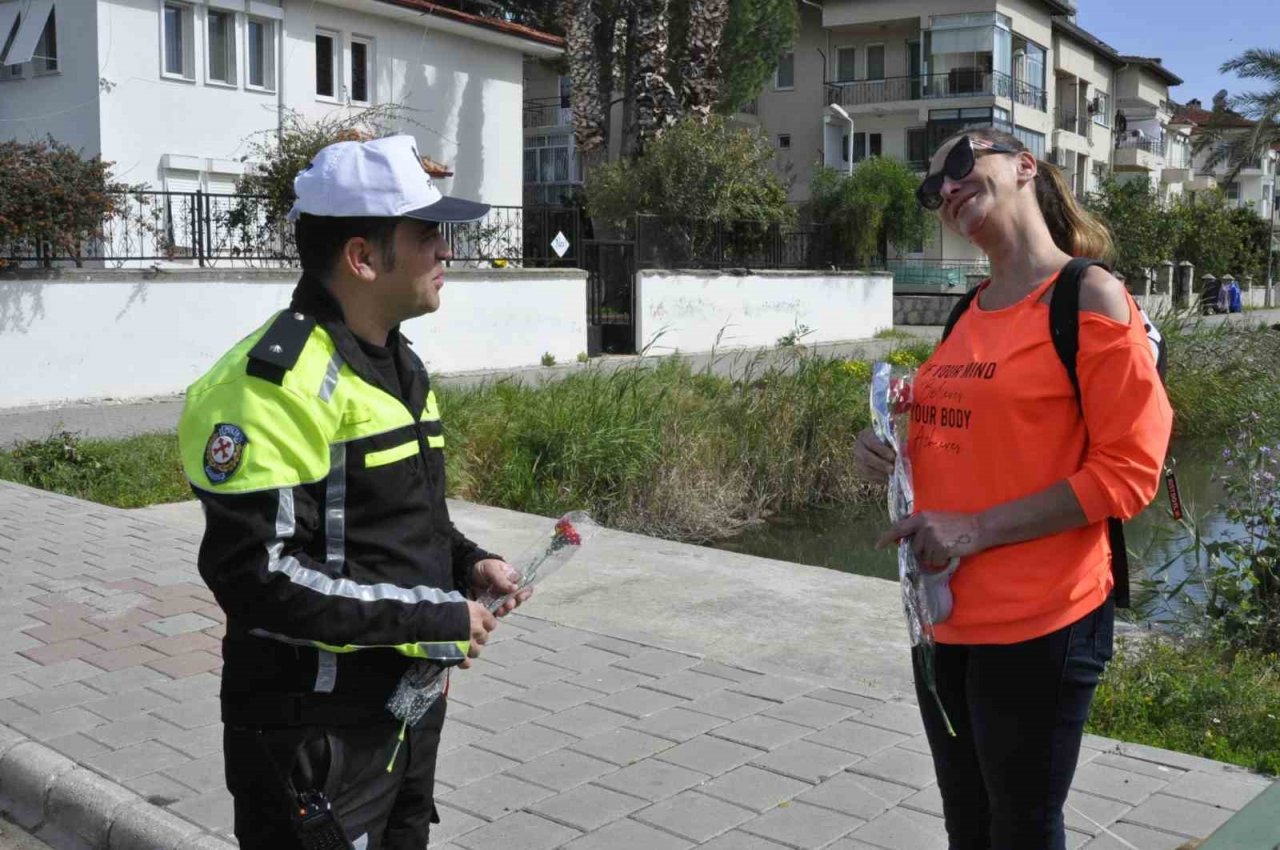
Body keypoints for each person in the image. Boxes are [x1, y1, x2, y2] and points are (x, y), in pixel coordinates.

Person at [177, 134, 530, 850]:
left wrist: (467, 565)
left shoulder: (401, 362)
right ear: (363, 258)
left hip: (404, 713)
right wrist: (430, 617)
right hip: (313, 733)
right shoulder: (270, 386)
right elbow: (257, 578)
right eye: (427, 233)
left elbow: (403, 520)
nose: (446, 251)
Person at [854, 128, 1173, 850]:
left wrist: (974, 528)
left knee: (1022, 830)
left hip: (1041, 622)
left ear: (1025, 165)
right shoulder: (968, 312)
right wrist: (889, 448)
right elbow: (964, 430)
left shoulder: (1087, 295)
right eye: (933, 187)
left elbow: (1129, 472)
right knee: (968, 825)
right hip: (942, 620)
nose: (947, 189)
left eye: (962, 163)